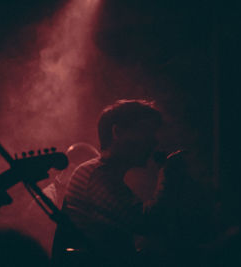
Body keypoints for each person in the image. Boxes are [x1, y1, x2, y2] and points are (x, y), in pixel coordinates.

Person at [52, 99, 164, 266]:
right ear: (117, 132)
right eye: (145, 131)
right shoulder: (96, 175)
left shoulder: (101, 174)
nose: (154, 142)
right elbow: (146, 222)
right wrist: (168, 177)